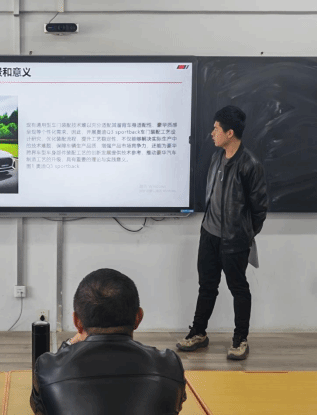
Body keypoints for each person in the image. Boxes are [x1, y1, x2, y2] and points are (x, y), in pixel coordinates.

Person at [177, 105, 268, 360]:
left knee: (239, 288)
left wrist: (244, 234)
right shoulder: (217, 158)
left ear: (230, 133)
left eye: (216, 129)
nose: (212, 133)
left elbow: (259, 210)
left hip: (234, 240)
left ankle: (240, 339)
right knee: (206, 286)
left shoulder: (250, 165)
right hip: (209, 235)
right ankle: (198, 332)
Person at [31, 269, 187, 415]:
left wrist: (69, 345)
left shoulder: (47, 367)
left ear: (77, 321)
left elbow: (40, 409)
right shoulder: (169, 364)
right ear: (138, 317)